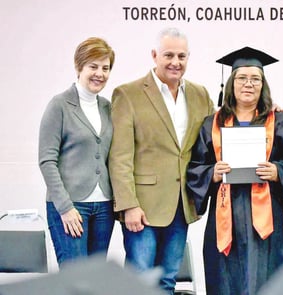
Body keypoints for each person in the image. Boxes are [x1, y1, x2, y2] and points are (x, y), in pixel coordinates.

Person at [187, 46, 283, 295]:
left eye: (255, 79)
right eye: (241, 78)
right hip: (224, 211)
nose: (248, 84)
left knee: (266, 278)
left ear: (263, 85)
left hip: (267, 215)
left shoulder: (280, 121)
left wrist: (277, 171)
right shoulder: (212, 123)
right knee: (225, 277)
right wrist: (213, 173)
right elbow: (195, 167)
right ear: (231, 83)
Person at [108, 27, 214, 294]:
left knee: (167, 279)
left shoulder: (200, 95)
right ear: (154, 55)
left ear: (188, 58)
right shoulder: (128, 94)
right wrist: (128, 204)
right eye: (168, 55)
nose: (175, 62)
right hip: (141, 208)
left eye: (181, 56)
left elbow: (221, 128)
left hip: (182, 204)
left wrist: (267, 108)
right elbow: (119, 156)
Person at [38, 37, 115, 266]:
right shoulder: (59, 105)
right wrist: (65, 207)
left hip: (104, 207)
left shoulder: (108, 108)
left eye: (105, 68)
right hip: (70, 206)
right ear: (79, 67)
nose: (99, 74)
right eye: (93, 66)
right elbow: (46, 160)